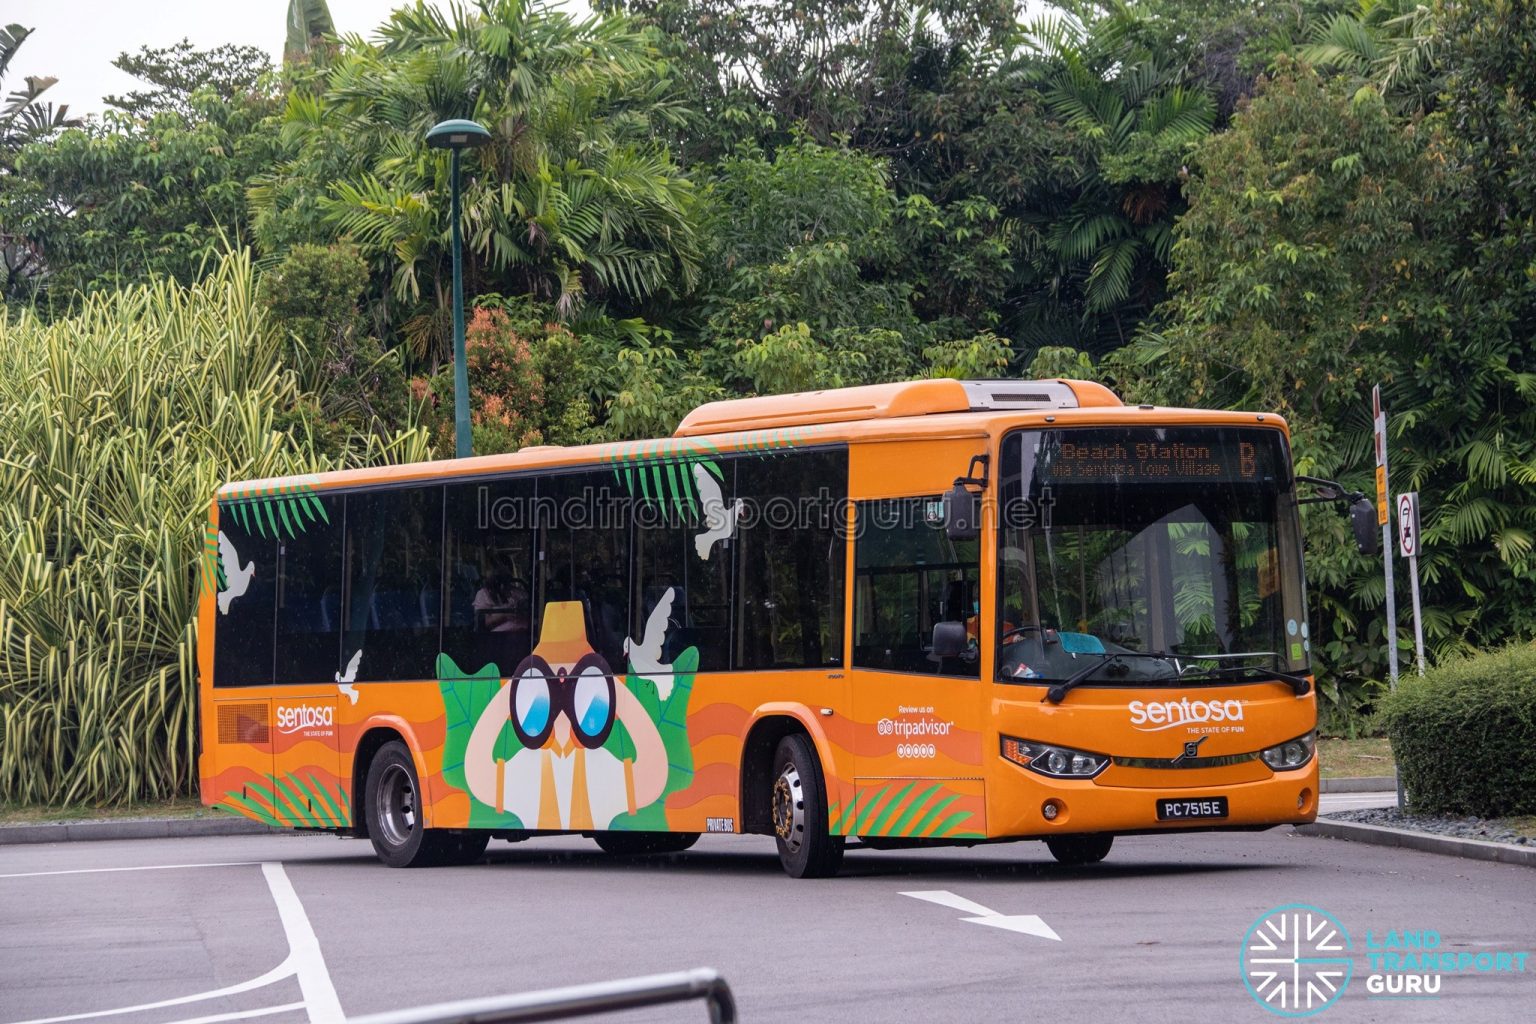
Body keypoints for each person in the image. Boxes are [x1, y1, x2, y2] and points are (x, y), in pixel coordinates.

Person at [473, 566, 530, 634]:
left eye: (504, 571)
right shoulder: (483, 594)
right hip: (497, 638)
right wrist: (505, 614)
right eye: (497, 572)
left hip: (525, 635)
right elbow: (482, 623)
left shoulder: (518, 593)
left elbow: (531, 612)